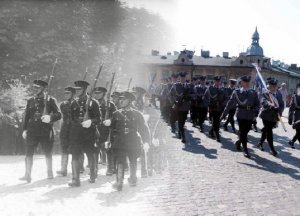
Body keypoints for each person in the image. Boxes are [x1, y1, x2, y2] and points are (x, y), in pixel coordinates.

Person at [103, 91, 150, 191]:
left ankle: (133, 179)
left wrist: (146, 141)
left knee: (133, 159)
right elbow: (112, 129)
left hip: (133, 140)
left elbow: (143, 128)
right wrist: (109, 141)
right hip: (120, 141)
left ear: (129, 101)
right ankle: (119, 182)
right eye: (120, 99)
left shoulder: (137, 114)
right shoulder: (116, 114)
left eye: (123, 99)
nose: (121, 101)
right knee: (119, 160)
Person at [20, 80, 61, 183]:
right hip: (32, 130)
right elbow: (27, 116)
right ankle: (27, 174)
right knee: (29, 153)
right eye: (34, 87)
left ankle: (49, 172)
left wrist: (50, 117)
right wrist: (24, 129)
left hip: (45, 130)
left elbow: (59, 114)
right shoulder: (30, 100)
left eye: (38, 87)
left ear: (43, 88)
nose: (35, 89)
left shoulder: (51, 100)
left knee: (47, 152)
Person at [68, 80, 101, 187]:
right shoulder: (74, 102)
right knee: (75, 156)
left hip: (89, 134)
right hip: (76, 134)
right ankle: (75, 179)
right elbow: (71, 118)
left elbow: (98, 119)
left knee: (90, 155)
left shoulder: (93, 102)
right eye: (76, 90)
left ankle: (92, 174)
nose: (77, 91)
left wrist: (91, 121)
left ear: (85, 90)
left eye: (79, 89)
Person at [221, 76, 260, 158]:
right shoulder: (237, 92)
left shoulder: (253, 92)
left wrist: (256, 114)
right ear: (241, 83)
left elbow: (257, 104)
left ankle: (238, 142)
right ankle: (245, 150)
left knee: (246, 131)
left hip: (250, 115)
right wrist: (224, 114)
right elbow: (230, 103)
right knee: (243, 132)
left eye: (248, 82)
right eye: (244, 82)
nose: (246, 84)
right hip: (240, 114)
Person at [257, 78, 284, 156]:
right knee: (269, 131)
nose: (274, 87)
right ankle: (272, 149)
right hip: (266, 115)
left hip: (275, 116)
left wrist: (279, 111)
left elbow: (281, 104)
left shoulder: (279, 94)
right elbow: (263, 102)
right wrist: (270, 106)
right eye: (272, 86)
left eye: (275, 86)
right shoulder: (266, 93)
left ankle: (260, 143)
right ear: (269, 86)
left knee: (266, 129)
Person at [93, 86, 117, 176]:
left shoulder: (110, 104)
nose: (97, 95)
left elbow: (116, 116)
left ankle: (110, 168)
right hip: (96, 128)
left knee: (108, 148)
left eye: (99, 93)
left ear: (103, 94)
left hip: (107, 129)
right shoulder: (93, 104)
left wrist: (110, 120)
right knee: (95, 148)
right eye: (96, 93)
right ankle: (94, 169)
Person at [56, 86, 76, 176]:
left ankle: (77, 168)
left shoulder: (77, 103)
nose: (66, 95)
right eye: (65, 93)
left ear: (73, 94)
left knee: (76, 149)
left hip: (74, 128)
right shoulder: (63, 105)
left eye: (68, 93)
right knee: (64, 148)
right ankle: (63, 169)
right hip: (65, 128)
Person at [169, 72, 191, 143]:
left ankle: (180, 131)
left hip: (186, 107)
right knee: (180, 120)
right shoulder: (176, 85)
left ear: (185, 78)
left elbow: (194, 94)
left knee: (183, 120)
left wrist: (189, 97)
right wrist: (174, 102)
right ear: (179, 78)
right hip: (178, 106)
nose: (182, 79)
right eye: (181, 78)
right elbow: (170, 95)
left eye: (184, 78)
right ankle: (183, 135)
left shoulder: (188, 86)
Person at [204, 76, 227, 142]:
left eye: (219, 81)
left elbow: (226, 98)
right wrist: (209, 105)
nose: (218, 82)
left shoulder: (222, 89)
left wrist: (222, 103)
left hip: (220, 108)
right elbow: (205, 98)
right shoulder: (210, 88)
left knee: (217, 121)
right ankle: (217, 135)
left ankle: (211, 132)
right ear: (214, 81)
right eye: (216, 81)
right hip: (212, 108)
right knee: (215, 121)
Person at [288, 83, 300, 149]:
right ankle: (292, 141)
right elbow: (291, 108)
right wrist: (290, 118)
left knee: (299, 132)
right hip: (297, 115)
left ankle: (292, 141)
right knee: (299, 131)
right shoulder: (295, 96)